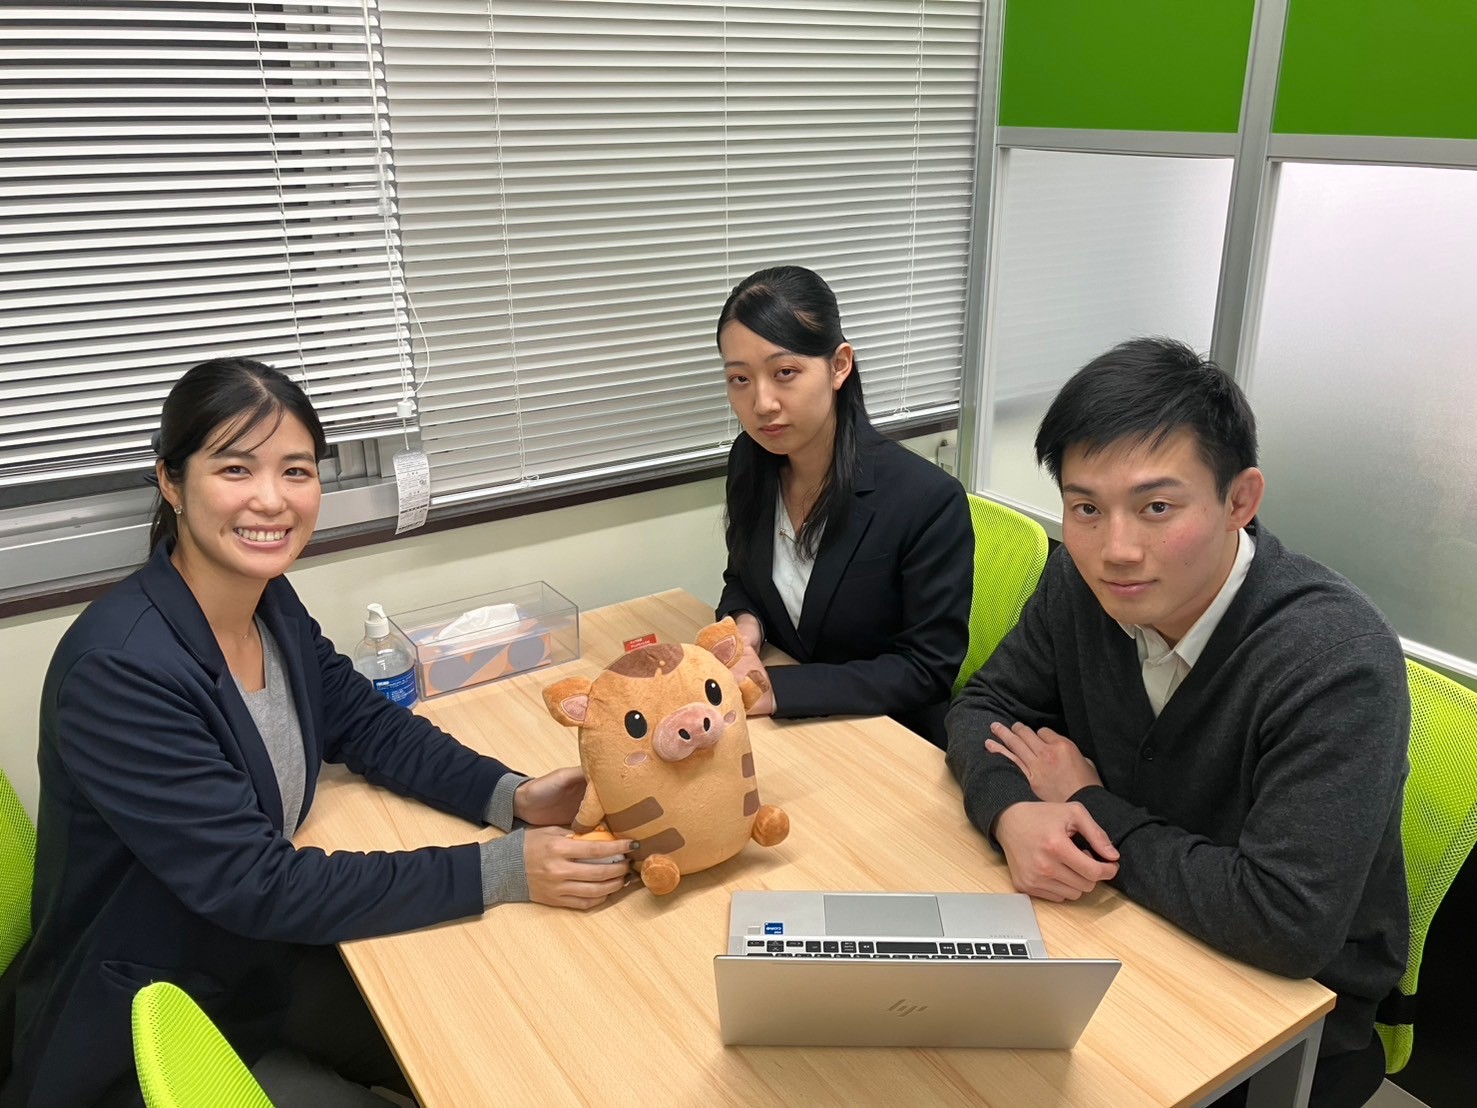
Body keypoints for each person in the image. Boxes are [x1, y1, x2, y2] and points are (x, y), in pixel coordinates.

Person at [2, 359, 633, 1108]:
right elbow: (258, 884)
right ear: (171, 481)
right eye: (236, 468)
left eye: (296, 470)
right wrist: (500, 870)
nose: (272, 499)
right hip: (157, 1010)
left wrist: (510, 795)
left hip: (251, 954)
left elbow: (363, 722)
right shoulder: (120, 671)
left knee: (497, 1044)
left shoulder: (267, 599)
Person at [945, 338, 1408, 1108]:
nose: (1115, 550)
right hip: (1119, 925)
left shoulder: (1333, 660)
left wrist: (1087, 803)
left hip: (1283, 1014)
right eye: (1085, 508)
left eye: (1156, 508)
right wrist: (1011, 811)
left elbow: (1284, 923)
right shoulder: (1078, 584)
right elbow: (985, 706)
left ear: (1239, 501)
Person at [714, 266, 973, 748]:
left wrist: (780, 689)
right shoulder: (751, 460)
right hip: (787, 735)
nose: (762, 403)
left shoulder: (927, 499)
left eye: (784, 372)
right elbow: (742, 579)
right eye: (740, 379)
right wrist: (745, 627)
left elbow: (927, 669)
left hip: (887, 739)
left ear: (838, 366)